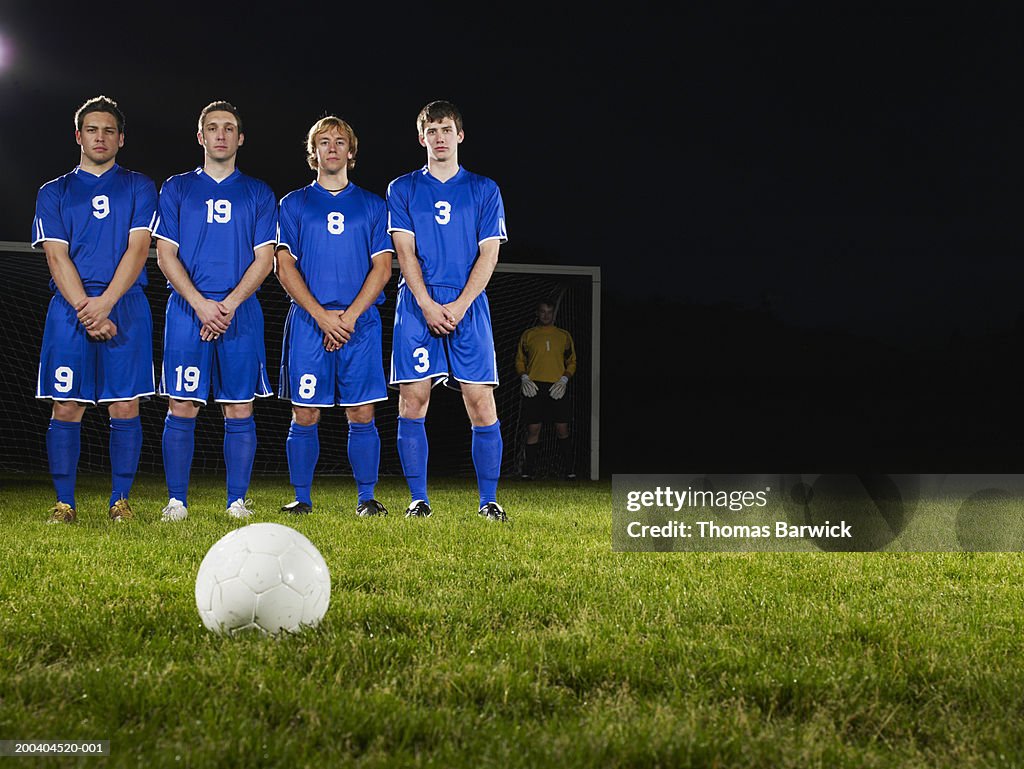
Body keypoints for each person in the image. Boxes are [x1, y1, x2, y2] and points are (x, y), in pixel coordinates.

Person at [31, 95, 158, 524]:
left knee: (125, 405)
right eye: (92, 130)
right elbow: (55, 256)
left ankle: (119, 502)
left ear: (120, 139)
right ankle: (64, 503)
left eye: (108, 130)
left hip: (125, 305)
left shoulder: (139, 186)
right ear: (78, 136)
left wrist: (106, 304)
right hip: (70, 309)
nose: (100, 137)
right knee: (66, 406)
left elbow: (139, 250)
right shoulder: (54, 191)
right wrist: (87, 309)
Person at [152, 100, 277, 521]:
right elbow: (165, 254)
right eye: (212, 128)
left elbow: (265, 260)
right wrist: (202, 305)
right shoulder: (177, 188)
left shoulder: (258, 192)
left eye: (228, 128)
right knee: (181, 404)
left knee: (239, 406)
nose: (220, 135)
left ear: (240, 138)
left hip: (240, 313)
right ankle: (176, 501)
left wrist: (226, 306)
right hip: (188, 311)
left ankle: (236, 501)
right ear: (200, 136)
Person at [386, 100, 509, 522]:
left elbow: (488, 255)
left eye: (446, 130)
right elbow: (404, 252)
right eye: (431, 131)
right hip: (418, 305)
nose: (439, 138)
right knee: (413, 399)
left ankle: (489, 501)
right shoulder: (402, 188)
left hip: (467, 305)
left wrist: (458, 304)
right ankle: (418, 499)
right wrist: (425, 303)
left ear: (460, 135)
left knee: (480, 403)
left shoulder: (484, 189)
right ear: (422, 138)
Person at [275, 116, 393, 517]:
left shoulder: (374, 205)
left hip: (360, 325)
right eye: (323, 142)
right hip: (310, 323)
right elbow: (284, 266)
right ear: (313, 153)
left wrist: (348, 317)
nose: (331, 148)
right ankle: (302, 498)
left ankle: (366, 498)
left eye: (339, 142)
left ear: (351, 152)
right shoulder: (292, 204)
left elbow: (382, 268)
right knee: (305, 410)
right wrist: (323, 317)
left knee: (361, 410)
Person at [516, 299, 578, 479]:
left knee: (562, 429)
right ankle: (528, 472)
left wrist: (565, 379)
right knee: (533, 429)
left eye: (549, 312)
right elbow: (520, 360)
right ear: (538, 313)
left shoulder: (564, 336)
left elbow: (572, 360)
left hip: (557, 386)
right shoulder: (528, 335)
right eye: (542, 312)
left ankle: (569, 471)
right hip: (534, 386)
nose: (546, 315)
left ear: (553, 314)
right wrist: (524, 376)